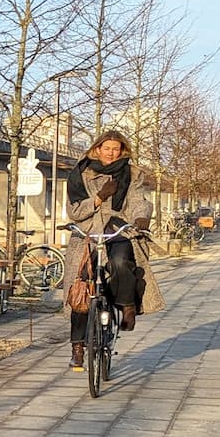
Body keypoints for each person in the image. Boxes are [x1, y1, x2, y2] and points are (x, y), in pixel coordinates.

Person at [61, 129, 163, 370]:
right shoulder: (80, 174)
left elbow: (139, 200)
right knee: (81, 288)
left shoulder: (132, 173)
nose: (110, 153)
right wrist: (98, 198)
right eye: (106, 148)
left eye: (115, 149)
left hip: (118, 227)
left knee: (120, 262)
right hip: (87, 231)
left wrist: (141, 219)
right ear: (97, 149)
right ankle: (77, 347)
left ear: (122, 151)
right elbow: (74, 211)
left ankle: (127, 305)